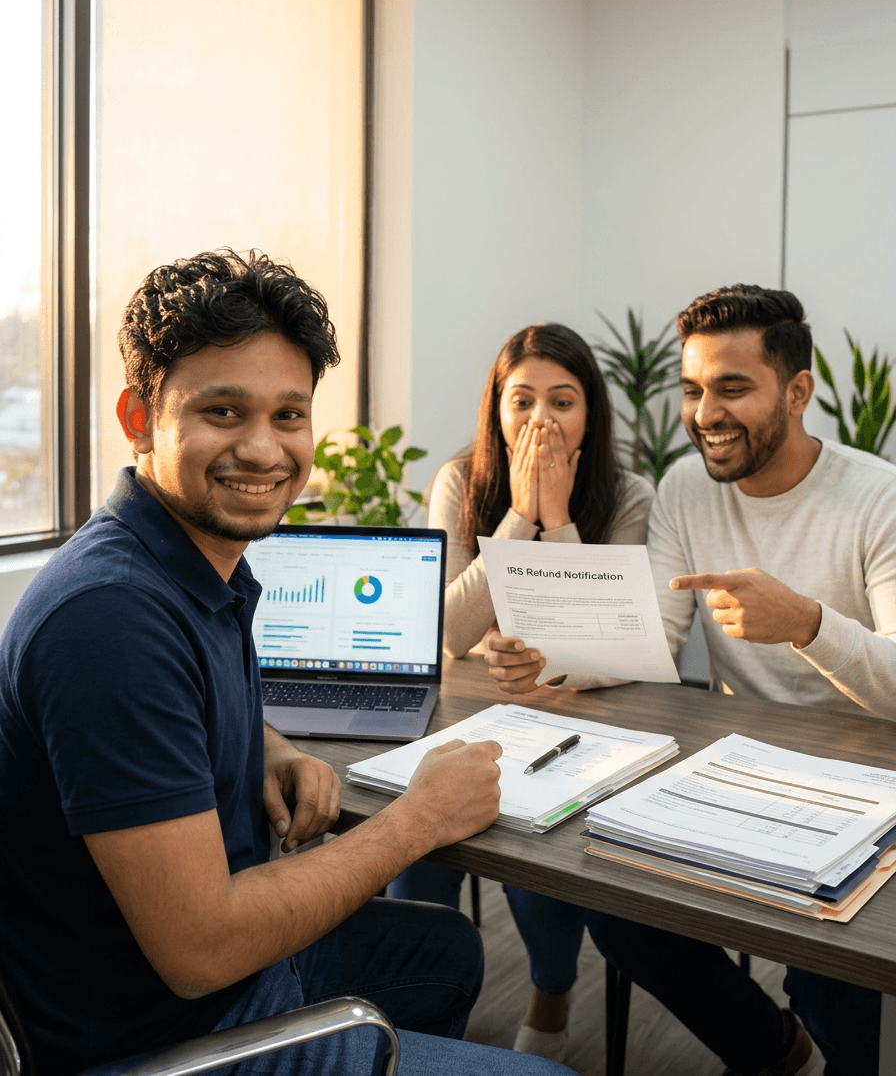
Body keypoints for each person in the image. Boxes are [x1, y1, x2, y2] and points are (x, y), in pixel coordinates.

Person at [0, 249, 576, 1076]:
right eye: (223, 411)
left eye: (289, 415)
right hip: (165, 1036)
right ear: (138, 417)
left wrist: (270, 745)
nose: (264, 450)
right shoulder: (110, 618)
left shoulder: (189, 563)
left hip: (199, 988)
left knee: (442, 949)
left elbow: (182, 707)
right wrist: (415, 820)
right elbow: (202, 946)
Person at [488, 284, 896, 1076]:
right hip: (737, 771)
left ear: (799, 390)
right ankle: (783, 1054)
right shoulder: (682, 487)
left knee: (832, 954)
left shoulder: (877, 497)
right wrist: (553, 664)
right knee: (621, 912)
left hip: (863, 784)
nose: (705, 411)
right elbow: (652, 641)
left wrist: (809, 622)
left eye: (733, 387)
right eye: (694, 388)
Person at [388, 322, 655, 1061]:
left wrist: (562, 515)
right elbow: (446, 630)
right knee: (421, 827)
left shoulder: (630, 493)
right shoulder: (458, 479)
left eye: (562, 401)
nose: (541, 420)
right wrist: (520, 517)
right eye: (523, 400)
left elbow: (610, 642)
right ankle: (417, 1017)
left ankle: (551, 986)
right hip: (472, 708)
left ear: (590, 414)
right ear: (496, 411)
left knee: (538, 830)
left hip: (582, 715)